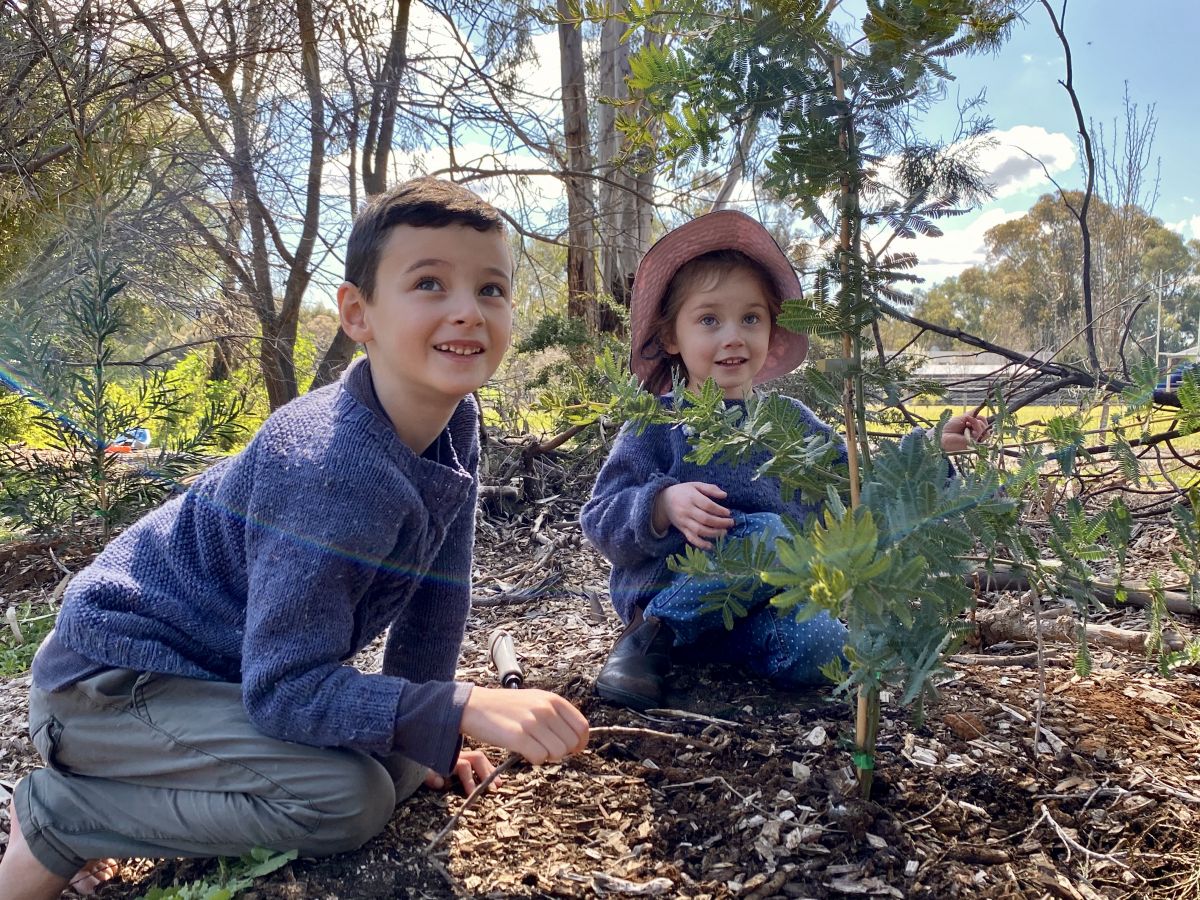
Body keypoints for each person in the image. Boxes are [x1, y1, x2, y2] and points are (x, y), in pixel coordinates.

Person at [0, 177, 590, 900]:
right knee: (350, 800)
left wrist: (437, 727)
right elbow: (284, 689)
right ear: (357, 314)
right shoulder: (327, 465)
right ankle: (62, 815)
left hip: (220, 682)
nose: (468, 311)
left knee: (404, 765)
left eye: (491, 289)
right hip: (110, 685)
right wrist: (458, 707)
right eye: (430, 283)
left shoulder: (457, 422)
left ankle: (135, 785)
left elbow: (440, 600)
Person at [580, 209, 987, 710]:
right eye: (709, 319)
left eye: (750, 318)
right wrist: (660, 504)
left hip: (759, 609)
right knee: (769, 535)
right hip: (671, 591)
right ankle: (651, 640)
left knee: (830, 648)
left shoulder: (789, 421)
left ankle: (714, 654)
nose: (733, 335)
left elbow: (855, 489)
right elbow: (599, 519)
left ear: (771, 330)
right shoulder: (655, 423)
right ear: (670, 337)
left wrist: (929, 453)